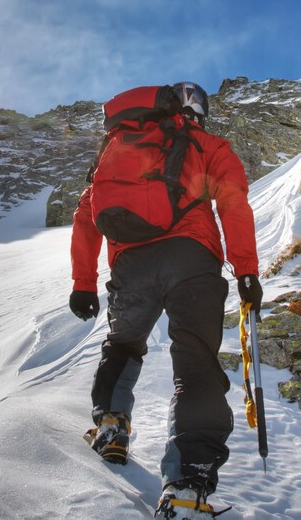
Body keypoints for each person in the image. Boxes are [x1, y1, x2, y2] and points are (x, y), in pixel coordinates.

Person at [69, 81, 263, 518]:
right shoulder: (206, 143)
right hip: (191, 258)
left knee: (123, 344)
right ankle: (185, 484)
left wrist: (83, 281)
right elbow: (232, 201)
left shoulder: (117, 146)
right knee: (195, 363)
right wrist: (246, 269)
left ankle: (112, 425)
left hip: (129, 264)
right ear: (199, 110)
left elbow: (87, 214)